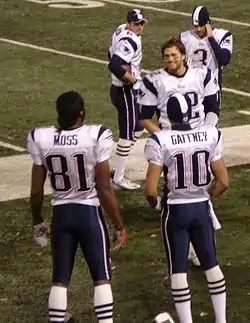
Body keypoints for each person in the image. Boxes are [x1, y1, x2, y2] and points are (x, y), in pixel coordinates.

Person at [27, 91, 126, 323]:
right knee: (101, 276)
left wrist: (37, 221)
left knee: (60, 278)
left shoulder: (41, 138)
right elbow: (103, 188)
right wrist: (119, 224)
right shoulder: (95, 135)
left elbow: (36, 190)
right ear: (81, 114)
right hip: (88, 213)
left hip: (61, 214)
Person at [144, 93, 229, 323]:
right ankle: (221, 320)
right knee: (212, 265)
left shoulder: (161, 139)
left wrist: (157, 205)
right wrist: (206, 194)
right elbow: (223, 181)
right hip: (201, 207)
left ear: (168, 114)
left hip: (176, 210)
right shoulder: (209, 134)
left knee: (178, 270)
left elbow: (150, 190)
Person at [138, 37, 221, 266]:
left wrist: (206, 131)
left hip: (198, 138)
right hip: (173, 142)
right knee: (177, 187)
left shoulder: (201, 74)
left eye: (174, 55)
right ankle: (192, 243)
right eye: (166, 56)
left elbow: (213, 107)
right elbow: (145, 117)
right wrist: (164, 136)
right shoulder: (155, 80)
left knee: (200, 185)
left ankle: (196, 241)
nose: (170, 59)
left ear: (184, 55)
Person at [108, 8, 147, 190]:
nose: (140, 27)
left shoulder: (120, 30)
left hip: (119, 90)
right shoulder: (129, 39)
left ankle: (117, 168)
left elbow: (111, 54)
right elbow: (114, 63)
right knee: (128, 133)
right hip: (125, 91)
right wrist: (130, 79)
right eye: (136, 24)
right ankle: (118, 177)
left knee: (138, 127)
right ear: (130, 23)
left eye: (141, 23)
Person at [180, 5, 233, 90]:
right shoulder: (185, 37)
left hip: (212, 89)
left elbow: (224, 59)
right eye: (196, 26)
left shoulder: (222, 36)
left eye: (201, 25)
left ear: (207, 23)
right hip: (191, 87)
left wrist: (211, 38)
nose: (198, 29)